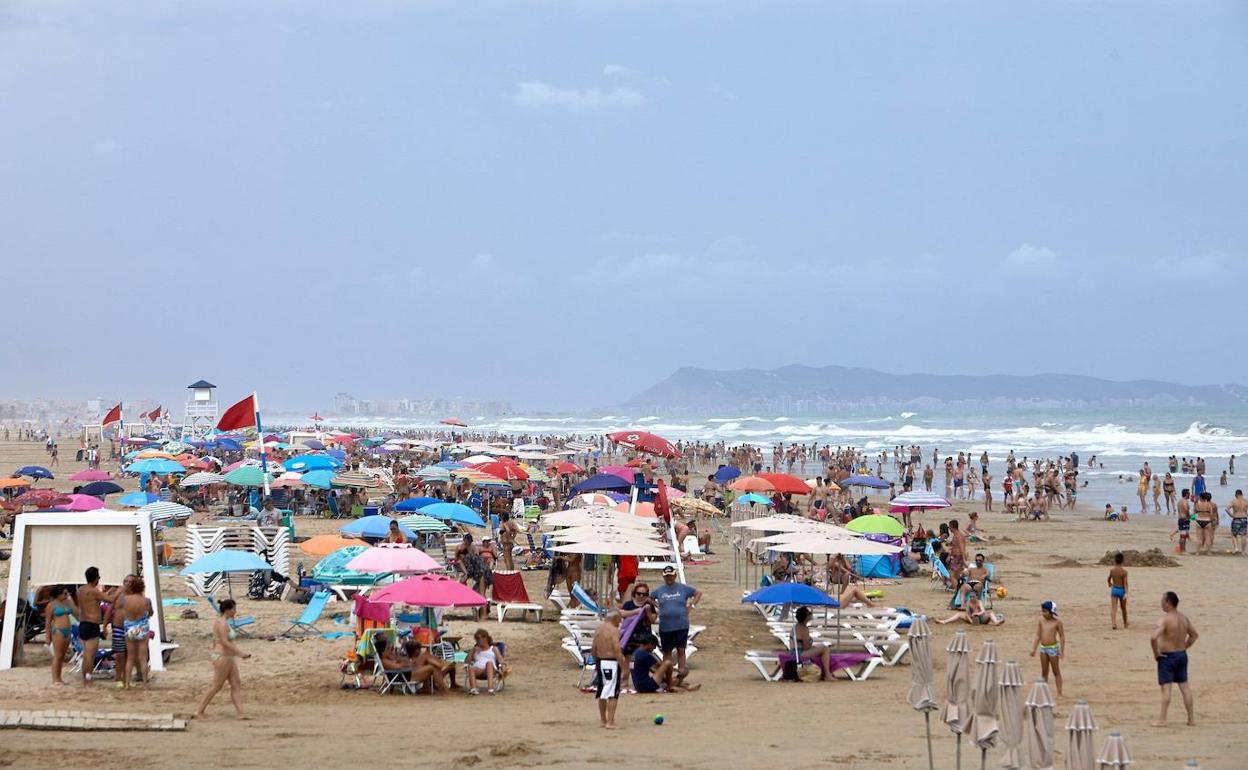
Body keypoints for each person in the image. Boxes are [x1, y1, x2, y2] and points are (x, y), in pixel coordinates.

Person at [195, 598, 252, 719]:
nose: (235, 612)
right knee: (217, 685)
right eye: (234, 609)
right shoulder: (221, 623)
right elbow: (224, 642)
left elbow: (217, 640)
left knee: (236, 684)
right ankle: (199, 711)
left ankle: (240, 713)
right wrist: (240, 653)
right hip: (223, 657)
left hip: (228, 657)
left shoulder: (224, 622)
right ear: (228, 610)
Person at [1151, 591, 1197, 727]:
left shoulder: (1164, 620)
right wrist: (1184, 647)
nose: (1161, 603)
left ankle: (1162, 719)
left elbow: (1153, 637)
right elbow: (1194, 635)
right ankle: (1191, 719)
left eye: (1162, 600)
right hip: (1181, 655)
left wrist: (1155, 653)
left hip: (1167, 656)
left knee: (1166, 688)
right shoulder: (1183, 618)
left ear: (1167, 603)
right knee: (1184, 687)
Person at [652, 566, 701, 681]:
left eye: (671, 576)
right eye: (666, 576)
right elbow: (649, 598)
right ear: (663, 577)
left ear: (675, 576)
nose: (669, 578)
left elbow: (698, 593)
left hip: (681, 624)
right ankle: (667, 675)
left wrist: (691, 606)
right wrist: (657, 607)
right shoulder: (659, 590)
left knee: (681, 650)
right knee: (667, 652)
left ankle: (681, 676)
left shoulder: (683, 588)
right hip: (665, 625)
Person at [76, 566, 117, 685]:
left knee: (85, 653)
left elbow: (95, 599)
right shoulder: (93, 591)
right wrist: (119, 592)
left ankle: (85, 678)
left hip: (83, 623)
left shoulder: (81, 590)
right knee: (90, 655)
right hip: (92, 624)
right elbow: (110, 600)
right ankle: (88, 679)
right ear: (96, 579)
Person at [590, 611, 626, 728]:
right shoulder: (614, 630)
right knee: (613, 693)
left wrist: (596, 662)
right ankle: (610, 722)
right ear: (615, 619)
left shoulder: (598, 629)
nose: (620, 623)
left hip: (600, 661)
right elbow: (616, 649)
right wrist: (624, 667)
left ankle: (603, 720)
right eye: (619, 620)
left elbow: (593, 648)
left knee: (602, 691)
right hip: (611, 662)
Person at [631, 634, 700, 693]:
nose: (654, 649)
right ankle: (671, 686)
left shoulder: (635, 653)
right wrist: (677, 670)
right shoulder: (645, 655)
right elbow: (662, 665)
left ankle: (684, 685)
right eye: (654, 646)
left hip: (638, 686)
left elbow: (654, 670)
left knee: (670, 678)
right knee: (668, 663)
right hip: (646, 686)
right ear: (649, 644)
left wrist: (666, 679)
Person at [119, 576, 152, 689]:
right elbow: (150, 613)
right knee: (143, 658)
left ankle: (127, 683)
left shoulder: (125, 600)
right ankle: (144, 684)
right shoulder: (146, 600)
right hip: (142, 627)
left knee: (130, 658)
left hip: (129, 627)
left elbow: (123, 611)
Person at [1030, 600, 1066, 696]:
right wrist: (1034, 648)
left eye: (1045, 611)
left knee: (1056, 671)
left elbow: (1062, 636)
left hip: (1053, 648)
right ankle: (1043, 692)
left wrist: (1062, 650)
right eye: (1042, 611)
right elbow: (1038, 635)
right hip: (1043, 648)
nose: (1043, 613)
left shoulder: (1057, 622)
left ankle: (1059, 693)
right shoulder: (1041, 621)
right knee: (1044, 671)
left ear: (1051, 612)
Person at [44, 585, 78, 685]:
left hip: (68, 630)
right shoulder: (51, 605)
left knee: (62, 656)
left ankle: (59, 677)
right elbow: (47, 621)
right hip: (58, 630)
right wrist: (47, 636)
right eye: (64, 593)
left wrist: (70, 600)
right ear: (58, 594)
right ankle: (55, 679)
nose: (66, 595)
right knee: (57, 655)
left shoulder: (67, 603)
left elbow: (76, 613)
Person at [792, 606, 834, 681]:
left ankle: (827, 674)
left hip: (795, 651)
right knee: (825, 648)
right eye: (809, 613)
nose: (811, 614)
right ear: (806, 616)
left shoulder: (796, 626)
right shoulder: (804, 629)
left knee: (821, 646)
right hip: (800, 653)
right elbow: (806, 647)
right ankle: (827, 674)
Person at [466, 628, 503, 695]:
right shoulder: (475, 649)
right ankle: (473, 689)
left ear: (485, 638)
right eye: (476, 638)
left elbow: (500, 659)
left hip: (490, 669)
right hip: (478, 670)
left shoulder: (493, 648)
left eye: (479, 638)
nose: (477, 640)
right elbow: (467, 662)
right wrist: (472, 651)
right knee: (471, 668)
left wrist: (501, 665)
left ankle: (490, 689)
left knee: (489, 663)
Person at [1108, 552, 1129, 629]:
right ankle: (1125, 623)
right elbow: (1125, 583)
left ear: (1115, 561)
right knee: (1123, 608)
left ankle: (1114, 623)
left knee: (1114, 607)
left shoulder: (1112, 570)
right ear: (1122, 561)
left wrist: (1109, 584)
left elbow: (1108, 579)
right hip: (1122, 590)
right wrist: (1126, 593)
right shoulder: (1124, 572)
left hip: (1115, 589)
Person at [1225, 489, 1247, 555]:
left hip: (1236, 518)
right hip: (1244, 518)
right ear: (1242, 494)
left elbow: (1227, 509)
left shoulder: (1234, 501)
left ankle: (1236, 548)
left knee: (1234, 534)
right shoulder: (1246, 501)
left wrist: (1231, 515)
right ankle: (1243, 551)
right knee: (1244, 535)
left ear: (1236, 495)